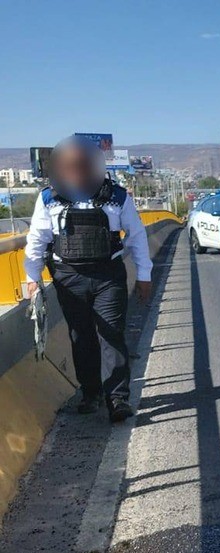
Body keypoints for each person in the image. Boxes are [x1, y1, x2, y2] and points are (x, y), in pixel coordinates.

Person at [23, 136, 152, 422]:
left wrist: (144, 275)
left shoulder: (117, 197)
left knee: (112, 334)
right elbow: (37, 240)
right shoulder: (48, 199)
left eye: (83, 166)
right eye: (71, 167)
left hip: (108, 276)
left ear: (94, 167)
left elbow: (137, 236)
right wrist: (32, 277)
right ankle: (91, 393)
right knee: (81, 336)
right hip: (69, 279)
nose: (77, 173)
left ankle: (117, 398)